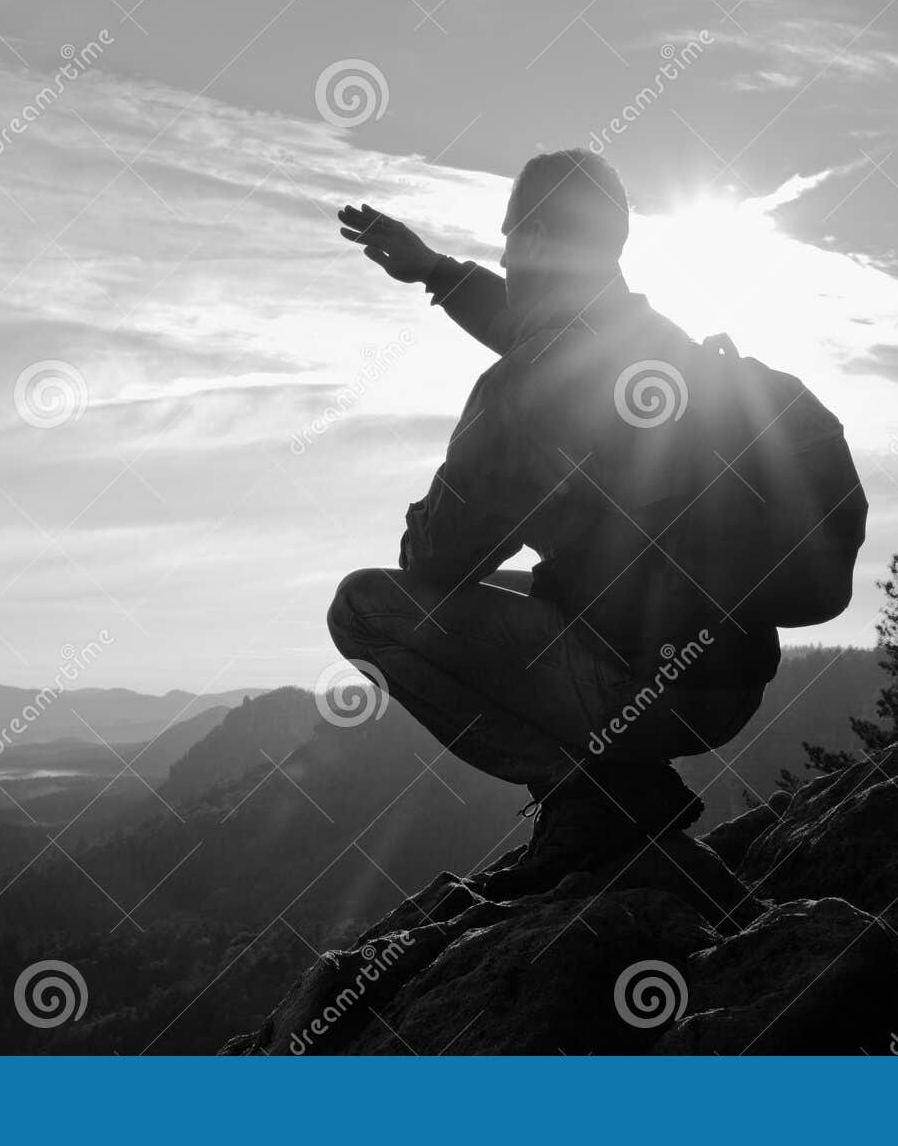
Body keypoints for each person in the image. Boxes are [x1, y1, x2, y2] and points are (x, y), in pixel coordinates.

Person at [329, 150, 775, 891]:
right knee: (537, 585)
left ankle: (594, 796)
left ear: (536, 238)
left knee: (365, 609)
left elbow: (436, 558)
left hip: (643, 689)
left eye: (509, 236)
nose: (502, 251)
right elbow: (540, 331)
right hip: (732, 673)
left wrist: (427, 517)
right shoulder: (656, 340)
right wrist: (436, 270)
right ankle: (611, 788)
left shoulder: (519, 389)